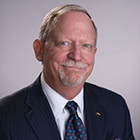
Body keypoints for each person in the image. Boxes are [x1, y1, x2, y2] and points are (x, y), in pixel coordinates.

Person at [0, 4, 135, 140]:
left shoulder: (116, 107)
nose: (76, 55)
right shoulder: (5, 116)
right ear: (39, 50)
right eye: (64, 43)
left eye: (86, 46)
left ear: (94, 53)